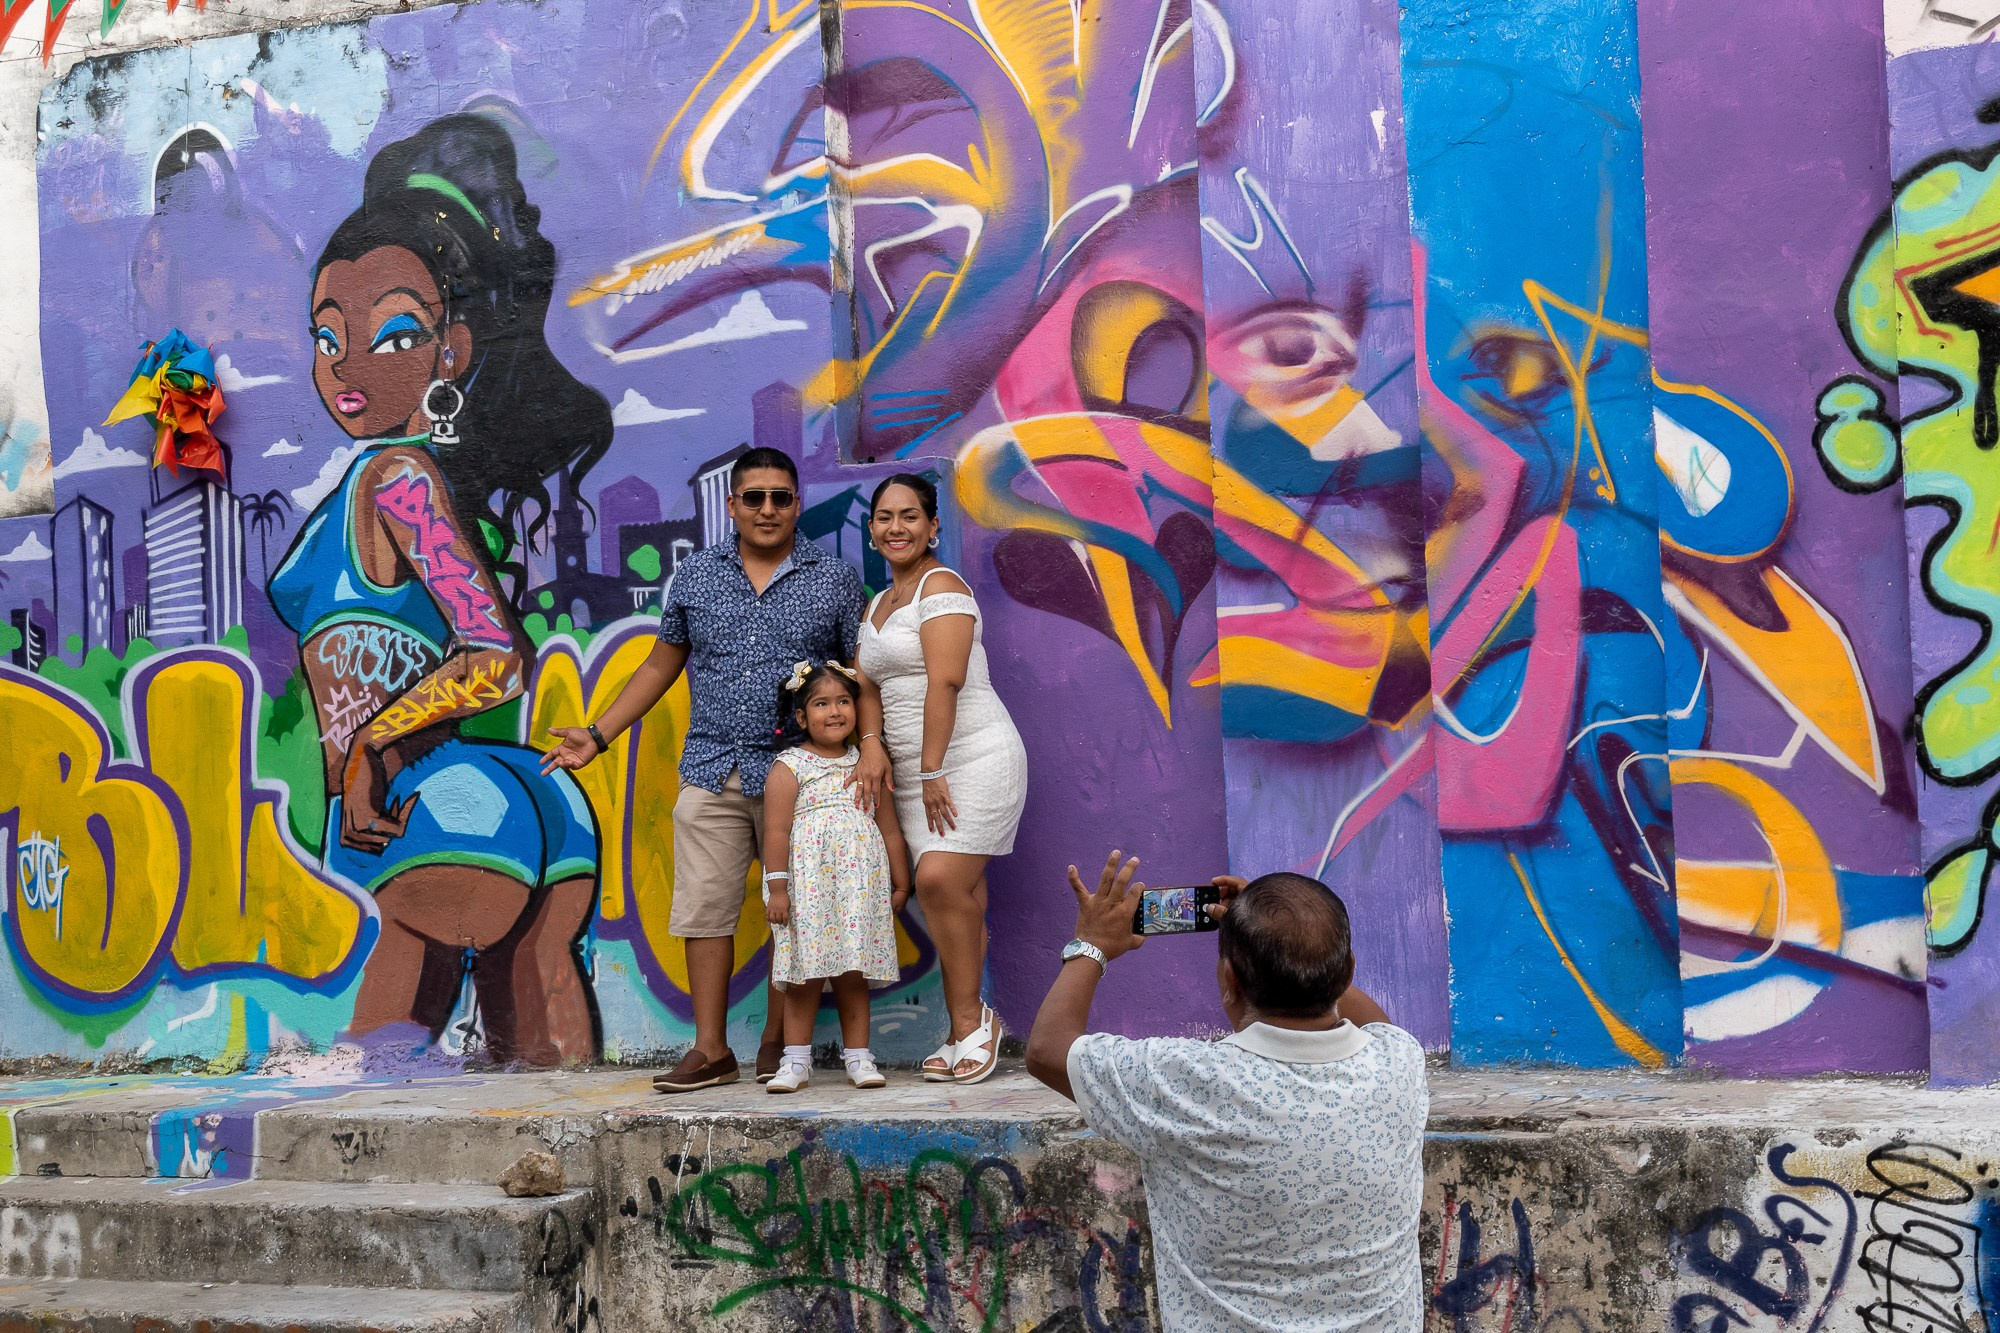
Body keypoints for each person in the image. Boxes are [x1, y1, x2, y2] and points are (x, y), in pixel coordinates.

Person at [271, 114, 606, 1066]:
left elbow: (495, 656)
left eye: (395, 334)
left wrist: (375, 740)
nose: (346, 365)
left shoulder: (396, 480)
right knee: (543, 1070)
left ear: (452, 350)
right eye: (328, 336)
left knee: (378, 1091)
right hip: (536, 804)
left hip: (427, 804)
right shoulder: (425, 487)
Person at [540, 446, 892, 1093]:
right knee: (704, 909)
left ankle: (776, 1043)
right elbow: (659, 664)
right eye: (753, 496)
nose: (766, 508)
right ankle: (710, 1049)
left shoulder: (835, 580)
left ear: (796, 504)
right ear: (731, 505)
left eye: (780, 497)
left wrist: (871, 744)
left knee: (804, 908)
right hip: (713, 765)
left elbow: (860, 674)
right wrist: (598, 733)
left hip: (805, 775)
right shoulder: (696, 577)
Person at [1026, 853, 1427, 1333]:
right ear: (1346, 973)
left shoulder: (1186, 1082)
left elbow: (1049, 1050)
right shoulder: (1398, 1062)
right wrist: (1293, 933)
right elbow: (1371, 1023)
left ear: (1229, 980)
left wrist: (1091, 944)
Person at [855, 473, 1027, 1084]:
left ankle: (968, 1024)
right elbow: (868, 687)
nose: (895, 527)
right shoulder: (877, 607)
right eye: (883, 517)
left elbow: (945, 680)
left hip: (970, 757)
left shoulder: (943, 587)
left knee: (938, 879)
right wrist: (873, 748)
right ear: (871, 529)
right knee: (958, 895)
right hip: (911, 772)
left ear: (932, 527)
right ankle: (965, 1028)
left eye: (909, 516)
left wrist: (930, 768)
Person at [760, 660, 914, 1092]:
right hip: (807, 891)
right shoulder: (790, 766)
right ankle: (795, 1062)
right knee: (803, 977)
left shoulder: (867, 764)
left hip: (857, 894)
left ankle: (860, 1058)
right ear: (801, 717)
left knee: (853, 974)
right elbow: (776, 831)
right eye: (822, 703)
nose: (835, 711)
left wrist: (901, 883)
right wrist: (777, 889)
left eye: (844, 701)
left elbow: (889, 829)